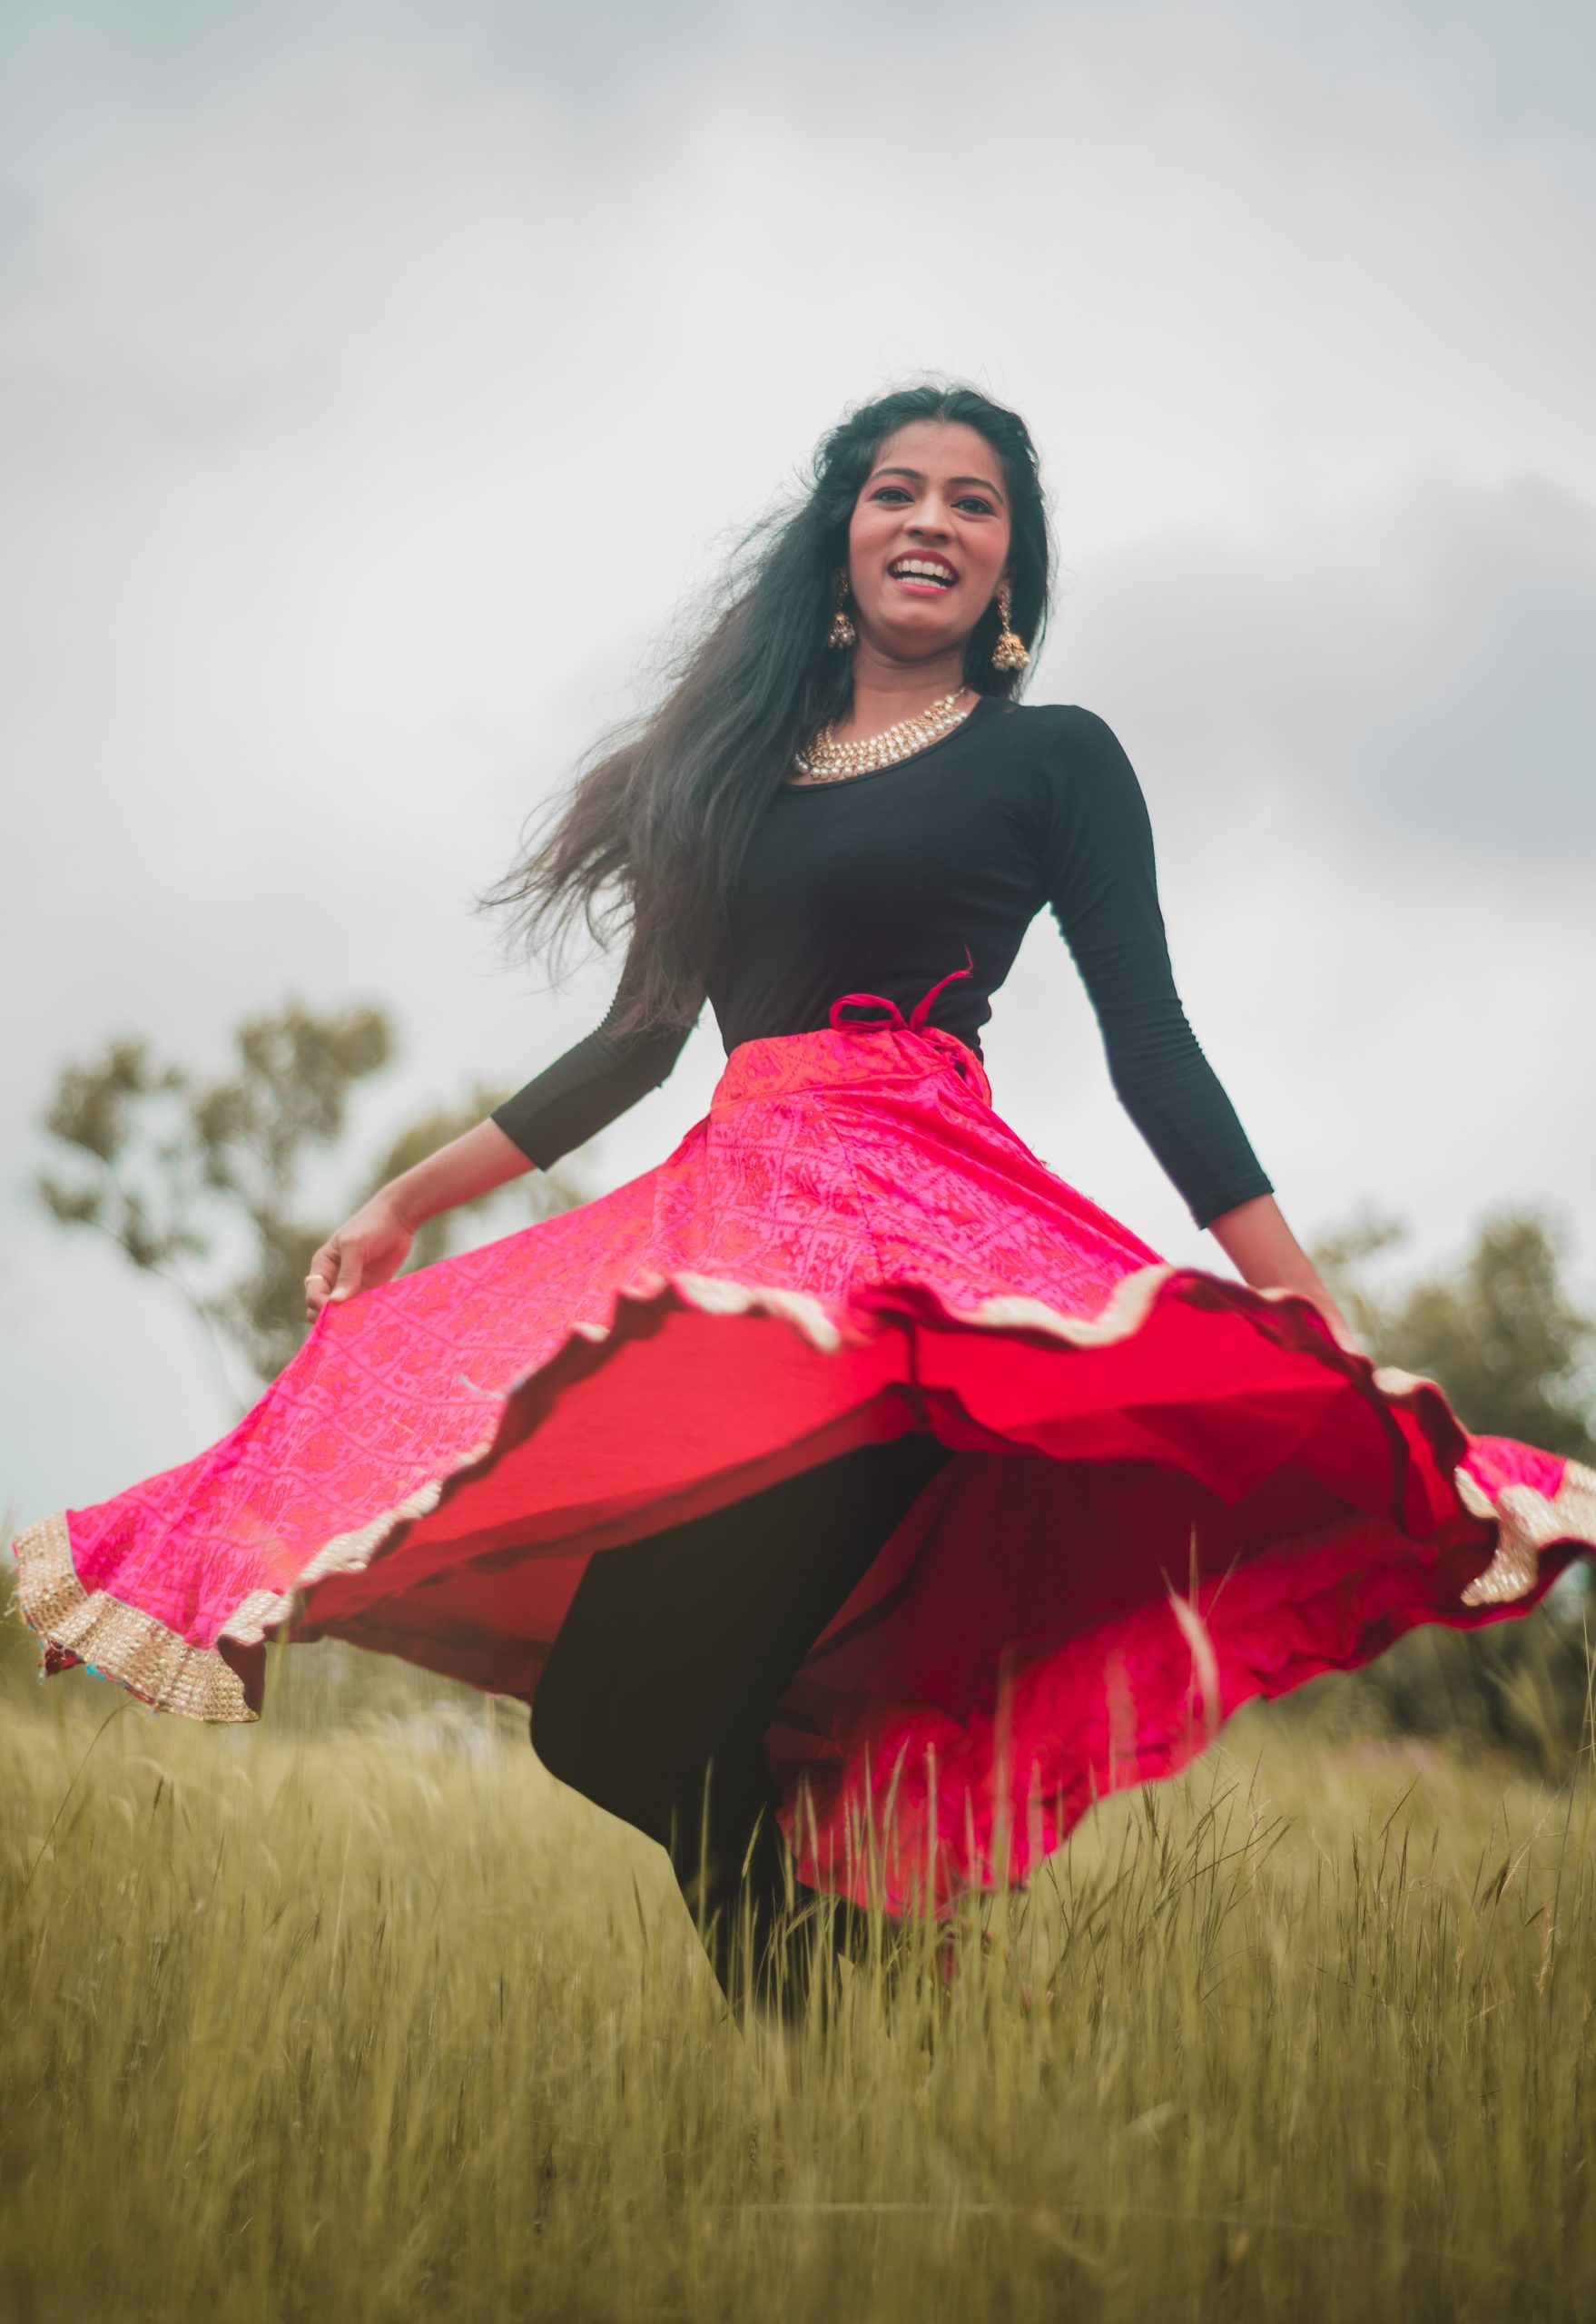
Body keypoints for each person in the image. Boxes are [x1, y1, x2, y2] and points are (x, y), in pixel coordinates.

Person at [13, 385, 1592, 2014]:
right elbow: (636, 1043)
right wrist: (411, 1197)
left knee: (651, 1717)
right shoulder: (730, 782)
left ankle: (859, 2041)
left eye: (973, 504)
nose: (932, 520)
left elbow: (1153, 1043)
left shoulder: (1050, 759)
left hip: (908, 1271)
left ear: (1007, 572)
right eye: (897, 491)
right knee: (608, 1719)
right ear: (841, 540)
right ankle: (883, 2012)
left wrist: (1300, 1295)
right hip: (727, 1248)